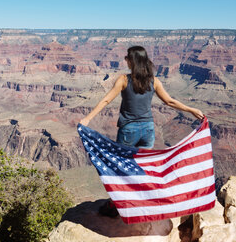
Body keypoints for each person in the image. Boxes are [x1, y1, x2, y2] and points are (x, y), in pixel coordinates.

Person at [79, 45, 204, 217]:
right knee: (143, 168)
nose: (125, 60)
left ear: (133, 61)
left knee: (121, 168)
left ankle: (115, 206)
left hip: (128, 131)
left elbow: (107, 100)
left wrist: (87, 119)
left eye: (127, 57)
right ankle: (141, 204)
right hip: (148, 131)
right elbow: (170, 102)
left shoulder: (123, 80)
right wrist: (191, 109)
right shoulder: (154, 81)